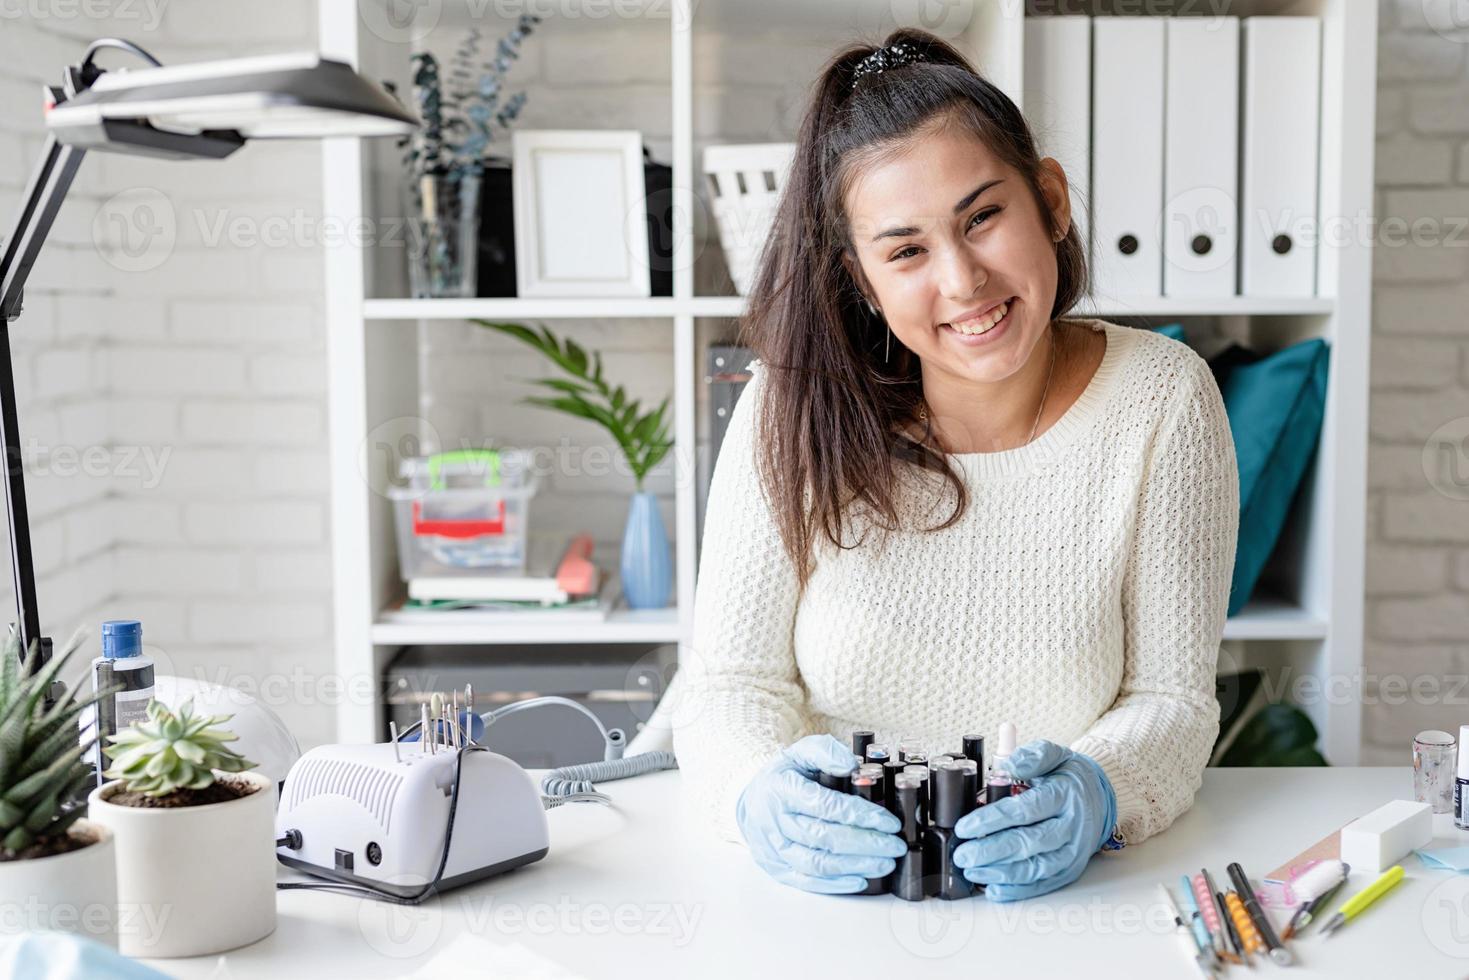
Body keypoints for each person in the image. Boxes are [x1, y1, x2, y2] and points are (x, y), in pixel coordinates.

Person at [669, 28, 1239, 901]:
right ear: (860, 278)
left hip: (1069, 906)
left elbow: (1171, 699)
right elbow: (727, 687)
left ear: (1049, 200)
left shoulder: (1162, 398)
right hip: (824, 910)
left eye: (982, 218)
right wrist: (756, 792)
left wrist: (1101, 791)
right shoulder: (786, 407)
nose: (964, 281)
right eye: (905, 251)